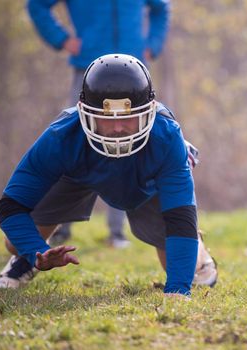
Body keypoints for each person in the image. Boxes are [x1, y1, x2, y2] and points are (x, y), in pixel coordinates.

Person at [0, 54, 218, 296]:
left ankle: (201, 255)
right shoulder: (62, 136)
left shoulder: (166, 137)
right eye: (107, 118)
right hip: (77, 173)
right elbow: (10, 207)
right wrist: (36, 252)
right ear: (84, 113)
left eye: (128, 117)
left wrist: (176, 290)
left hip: (145, 183)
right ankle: (24, 260)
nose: (118, 128)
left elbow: (180, 218)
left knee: (179, 261)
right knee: (14, 243)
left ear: (149, 112)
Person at [26, 0, 170, 248]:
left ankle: (117, 232)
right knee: (74, 143)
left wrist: (152, 46)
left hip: (134, 75)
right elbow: (37, 5)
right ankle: (59, 227)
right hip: (88, 73)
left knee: (129, 147)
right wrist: (62, 40)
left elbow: (161, 9)